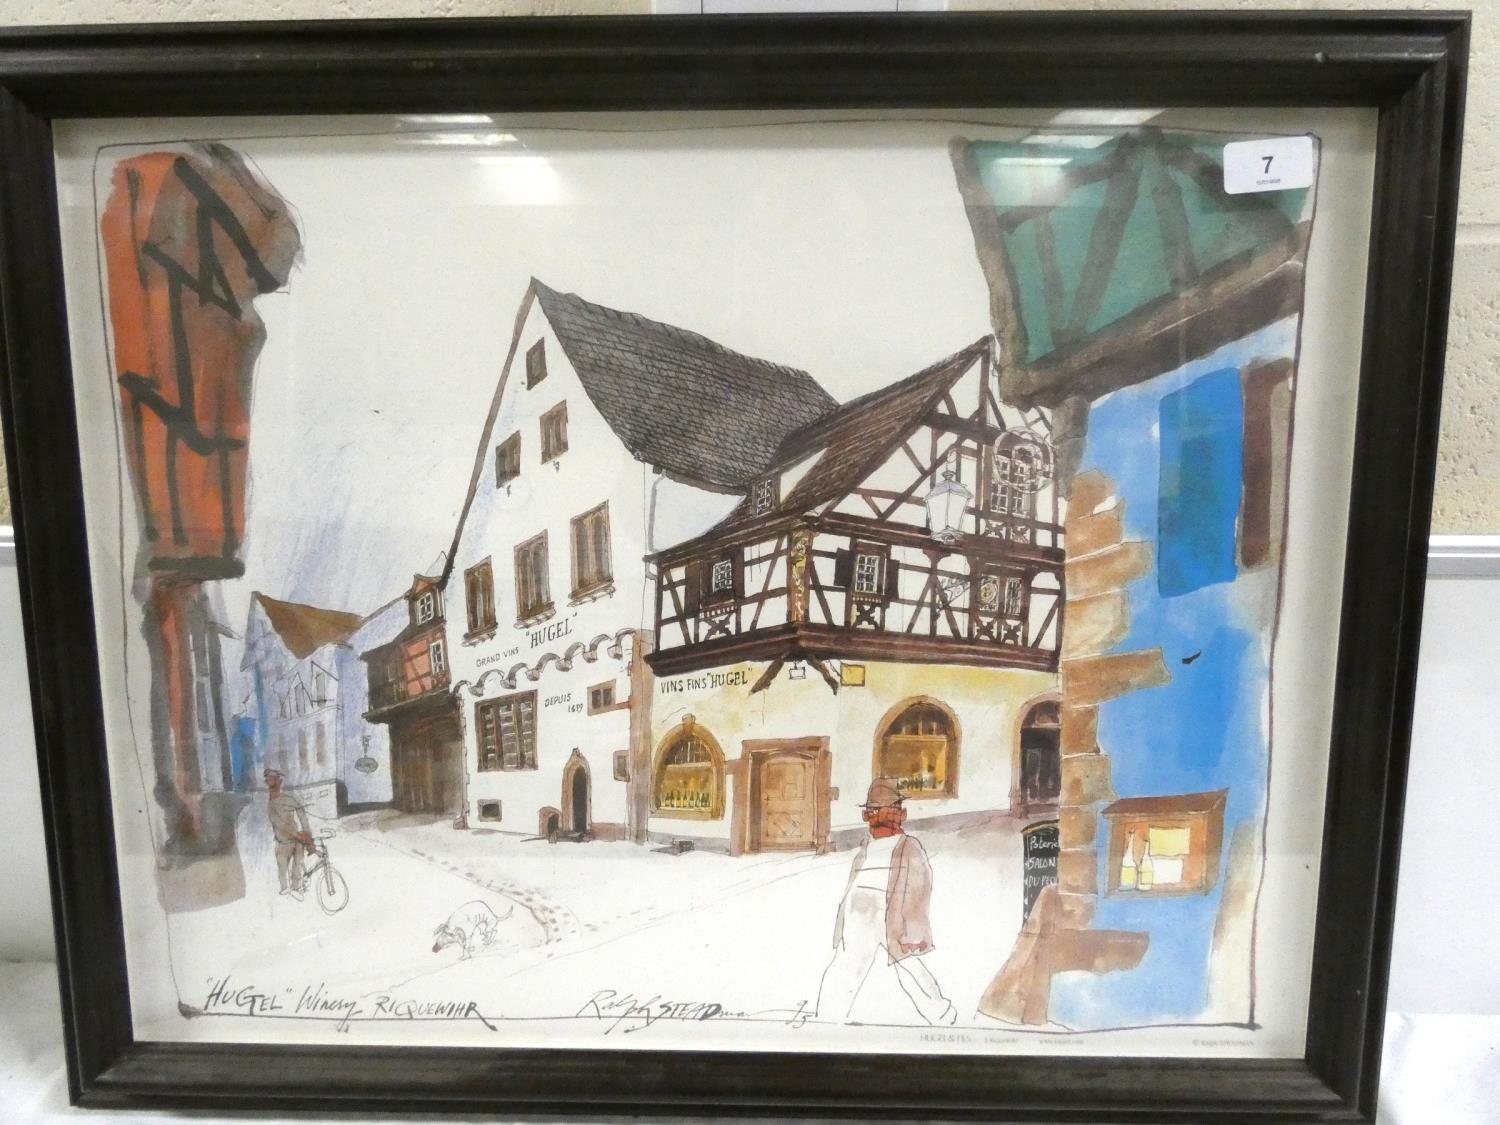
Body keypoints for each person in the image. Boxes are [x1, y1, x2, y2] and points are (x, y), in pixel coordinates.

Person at [816, 777, 958, 1026]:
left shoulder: (909, 847)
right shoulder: (866, 847)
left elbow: (919, 890)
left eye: (881, 810)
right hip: (859, 912)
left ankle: (940, 1012)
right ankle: (828, 1015)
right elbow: (854, 882)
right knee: (847, 963)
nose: (874, 816)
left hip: (893, 913)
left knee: (908, 964)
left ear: (900, 814)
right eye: (870, 811)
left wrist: (914, 931)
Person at [264, 768, 314, 900]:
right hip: (283, 843)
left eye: (275, 780)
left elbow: (301, 812)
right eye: (270, 780)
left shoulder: (288, 799)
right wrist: (299, 835)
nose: (273, 783)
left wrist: (307, 832)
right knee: (283, 872)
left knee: (297, 868)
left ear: (280, 782)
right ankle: (286, 891)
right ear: (267, 783)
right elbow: (280, 825)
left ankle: (296, 888)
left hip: (297, 842)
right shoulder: (270, 806)